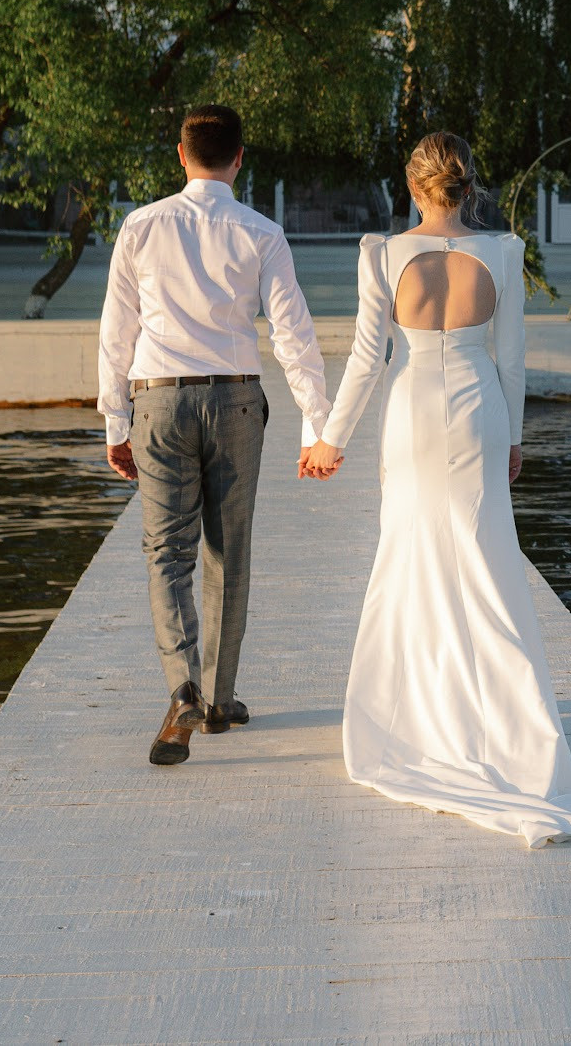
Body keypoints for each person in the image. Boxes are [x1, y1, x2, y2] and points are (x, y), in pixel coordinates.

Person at [301, 133, 571, 846]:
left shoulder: (380, 252)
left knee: (409, 559)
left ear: (413, 187)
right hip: (479, 412)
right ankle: (512, 733)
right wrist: (516, 438)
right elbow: (513, 357)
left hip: (410, 412)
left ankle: (409, 720)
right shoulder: (503, 252)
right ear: (468, 187)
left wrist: (330, 440)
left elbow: (367, 360)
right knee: (487, 564)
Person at [99, 104, 333, 767]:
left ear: (181, 155)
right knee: (228, 551)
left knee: (166, 553)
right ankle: (221, 700)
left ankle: (183, 690)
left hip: (160, 402)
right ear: (238, 158)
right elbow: (294, 336)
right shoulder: (261, 231)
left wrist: (116, 420)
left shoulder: (140, 226)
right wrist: (318, 423)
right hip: (235, 401)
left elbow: (116, 331)